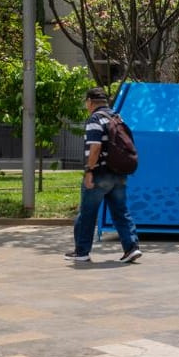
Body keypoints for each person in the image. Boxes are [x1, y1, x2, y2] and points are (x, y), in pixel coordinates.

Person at [64, 86, 142, 264]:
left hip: (100, 174)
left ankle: (82, 251)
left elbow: (95, 147)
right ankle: (131, 248)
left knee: (87, 213)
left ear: (90, 102)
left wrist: (89, 170)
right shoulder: (116, 117)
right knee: (121, 212)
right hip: (119, 173)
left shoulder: (95, 118)